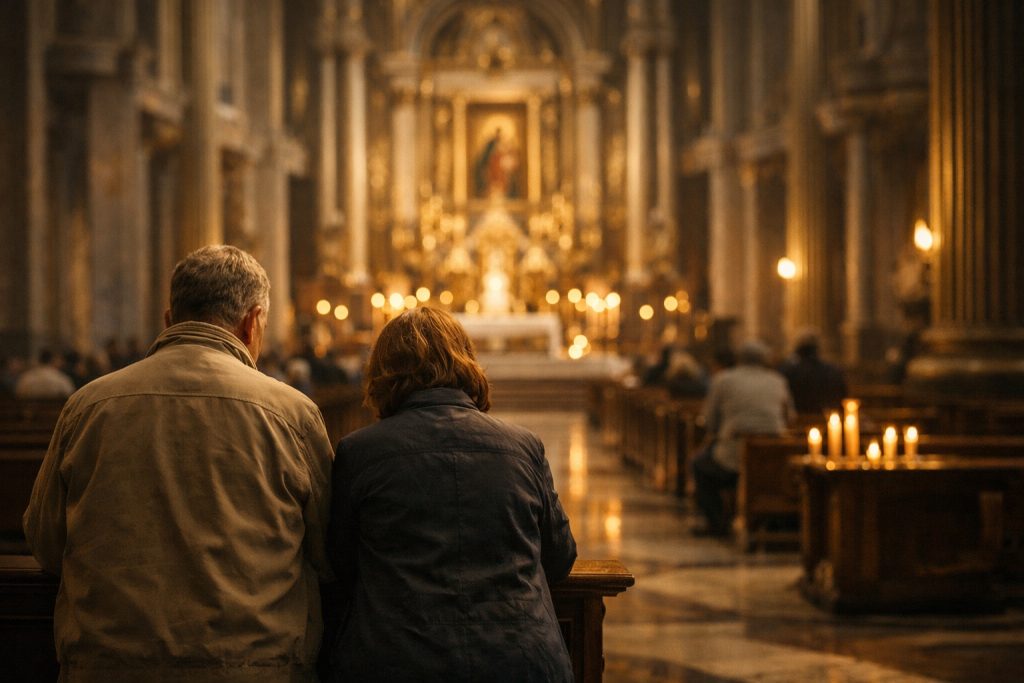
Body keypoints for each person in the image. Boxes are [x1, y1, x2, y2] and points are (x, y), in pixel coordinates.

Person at [23, 245, 334, 682]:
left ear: (169, 319)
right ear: (253, 322)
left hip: (109, 666)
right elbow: (327, 550)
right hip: (253, 667)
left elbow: (45, 540)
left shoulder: (88, 406)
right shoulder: (291, 414)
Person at [325, 307, 576, 682]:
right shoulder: (523, 446)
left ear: (381, 372)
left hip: (398, 661)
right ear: (467, 363)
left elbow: (339, 562)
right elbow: (560, 558)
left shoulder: (359, 452)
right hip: (520, 660)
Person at [693, 340, 794, 537]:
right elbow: (790, 417)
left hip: (733, 454)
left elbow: (710, 421)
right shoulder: (777, 380)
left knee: (699, 465)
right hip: (772, 455)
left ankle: (716, 523)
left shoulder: (723, 379)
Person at [779, 329, 848, 414]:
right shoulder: (832, 371)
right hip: (827, 418)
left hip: (797, 420)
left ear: (797, 348)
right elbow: (842, 396)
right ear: (818, 347)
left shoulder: (786, 371)